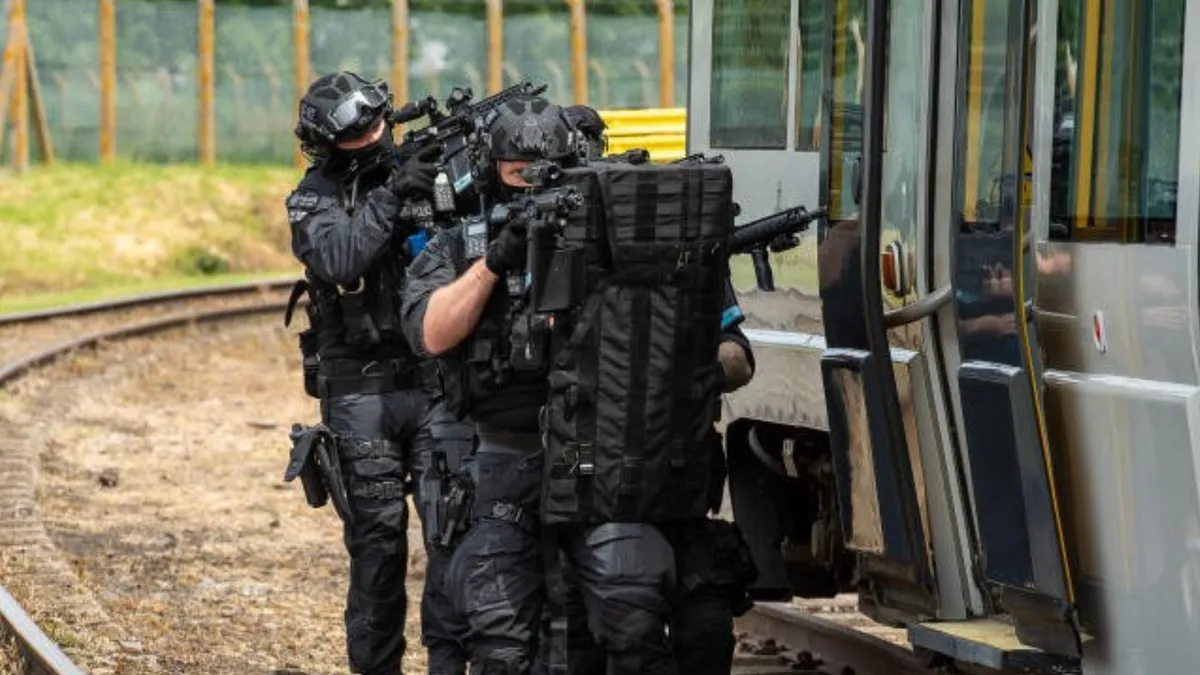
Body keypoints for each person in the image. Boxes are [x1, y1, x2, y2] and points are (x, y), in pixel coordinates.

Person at [553, 106, 759, 675]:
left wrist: (685, 373)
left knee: (705, 629)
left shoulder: (682, 257)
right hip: (594, 487)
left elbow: (739, 356)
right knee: (620, 628)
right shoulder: (548, 258)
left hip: (679, 479)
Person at [401, 93, 582, 675]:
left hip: (584, 456)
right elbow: (431, 333)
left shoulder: (594, 235)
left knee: (590, 621)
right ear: (492, 171)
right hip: (495, 453)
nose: (530, 184)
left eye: (543, 171)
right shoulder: (462, 244)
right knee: (481, 619)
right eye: (516, 172)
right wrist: (495, 263)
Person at [284, 70, 440, 675]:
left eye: (379, 123)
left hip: (434, 386)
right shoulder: (312, 196)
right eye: (361, 131)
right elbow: (340, 255)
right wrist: (394, 194)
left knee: (456, 542)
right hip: (360, 393)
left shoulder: (416, 171)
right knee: (378, 549)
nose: (376, 136)